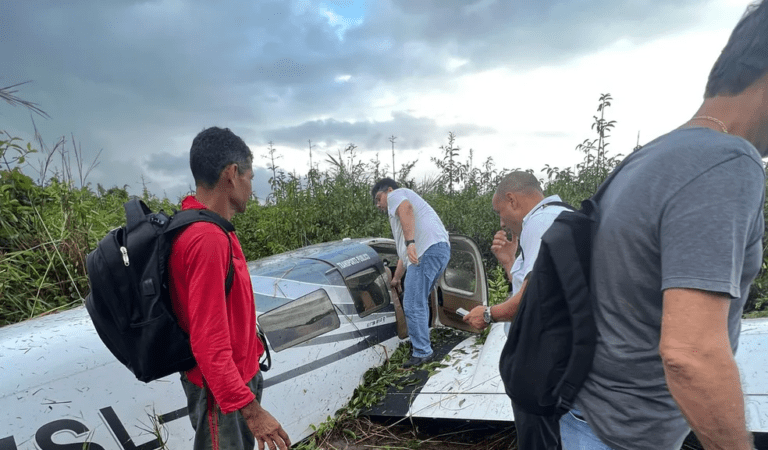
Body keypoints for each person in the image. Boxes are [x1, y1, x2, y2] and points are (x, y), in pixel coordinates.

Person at [561, 3, 768, 449]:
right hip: (623, 436)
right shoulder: (727, 163)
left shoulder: (652, 156)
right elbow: (690, 355)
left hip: (586, 414)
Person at [169, 127, 290, 450]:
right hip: (221, 393)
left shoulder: (216, 228)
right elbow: (208, 343)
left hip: (236, 381)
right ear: (232, 174)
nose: (252, 187)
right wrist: (251, 410)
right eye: (250, 176)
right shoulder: (205, 239)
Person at [463, 171, 569, 450]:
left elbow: (536, 295)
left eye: (500, 212)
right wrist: (510, 262)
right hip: (555, 353)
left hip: (541, 357)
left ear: (512, 199)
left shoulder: (540, 221)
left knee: (538, 439)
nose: (501, 221)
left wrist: (488, 314)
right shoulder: (559, 216)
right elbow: (535, 284)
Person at [371, 178, 451, 368]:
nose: (378, 205)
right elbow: (405, 257)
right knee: (417, 299)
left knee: (412, 303)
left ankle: (422, 352)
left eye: (378, 198)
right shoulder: (407, 216)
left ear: (388, 190)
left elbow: (405, 209)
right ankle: (423, 343)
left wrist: (411, 243)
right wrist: (397, 278)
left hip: (427, 251)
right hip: (438, 250)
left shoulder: (396, 195)